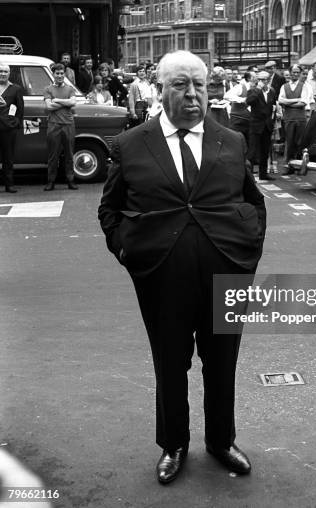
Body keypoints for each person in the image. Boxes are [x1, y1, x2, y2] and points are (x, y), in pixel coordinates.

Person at [98, 50, 266, 485]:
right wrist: (126, 252)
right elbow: (110, 209)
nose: (193, 95)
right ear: (160, 89)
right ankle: (174, 444)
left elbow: (253, 201)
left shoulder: (231, 140)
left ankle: (220, 441)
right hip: (161, 277)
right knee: (170, 364)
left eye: (200, 85)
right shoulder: (132, 143)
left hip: (226, 272)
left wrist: (249, 252)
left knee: (223, 361)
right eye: (180, 85)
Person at [43, 62, 78, 191]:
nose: (59, 76)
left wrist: (57, 100)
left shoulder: (70, 89)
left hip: (68, 124)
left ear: (64, 74)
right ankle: (51, 181)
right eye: (57, 73)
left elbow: (73, 102)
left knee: (69, 154)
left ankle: (70, 180)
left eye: (61, 73)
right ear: (53, 74)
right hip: (54, 125)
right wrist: (66, 103)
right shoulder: (48, 89)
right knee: (53, 155)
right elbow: (48, 106)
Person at [278, 64, 313, 174]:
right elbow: (280, 100)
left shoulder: (304, 86)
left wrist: (287, 103)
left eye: (298, 72)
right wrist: (296, 100)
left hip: (300, 118)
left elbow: (303, 102)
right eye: (294, 72)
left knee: (299, 142)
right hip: (288, 118)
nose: (296, 74)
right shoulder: (284, 86)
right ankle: (289, 165)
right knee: (289, 143)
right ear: (290, 72)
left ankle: (299, 166)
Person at [246, 70, 277, 181]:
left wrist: (273, 121)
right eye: (260, 79)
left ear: (268, 80)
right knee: (252, 152)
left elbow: (273, 107)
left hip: (267, 125)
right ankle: (248, 176)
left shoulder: (272, 91)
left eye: (264, 79)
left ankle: (263, 174)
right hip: (256, 124)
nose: (262, 82)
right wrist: (258, 89)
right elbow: (249, 101)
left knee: (265, 151)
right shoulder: (253, 91)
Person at [0, 63, 24, 193]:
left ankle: (9, 185)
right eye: (1, 71)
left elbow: (20, 109)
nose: (3, 74)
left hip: (8, 128)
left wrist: (16, 124)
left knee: (8, 158)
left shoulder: (16, 88)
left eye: (5, 71)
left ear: (9, 74)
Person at [227, 71, 255, 145]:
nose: (257, 78)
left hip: (251, 121)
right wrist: (242, 100)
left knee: (250, 144)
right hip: (238, 120)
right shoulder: (241, 86)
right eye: (254, 76)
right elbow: (227, 96)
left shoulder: (259, 88)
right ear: (249, 78)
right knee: (236, 143)